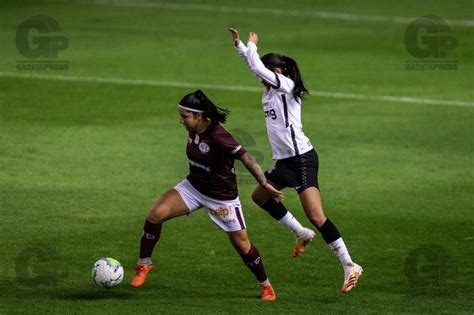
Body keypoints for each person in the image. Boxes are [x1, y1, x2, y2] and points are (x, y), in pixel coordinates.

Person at [228, 28, 363, 293]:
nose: (260, 76)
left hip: (301, 159)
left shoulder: (285, 86)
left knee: (316, 215)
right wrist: (240, 47)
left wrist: (252, 45)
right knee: (260, 196)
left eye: (266, 71)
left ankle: (349, 264)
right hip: (284, 162)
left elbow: (257, 67)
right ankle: (300, 232)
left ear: (277, 72)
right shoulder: (270, 90)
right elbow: (255, 68)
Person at [130, 90, 284, 301]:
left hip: (222, 198)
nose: (180, 120)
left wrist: (264, 183)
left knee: (242, 245)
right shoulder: (195, 127)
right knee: (155, 215)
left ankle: (265, 286)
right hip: (193, 187)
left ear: (199, 116)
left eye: (184, 116)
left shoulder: (220, 138)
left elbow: (247, 157)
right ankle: (144, 264)